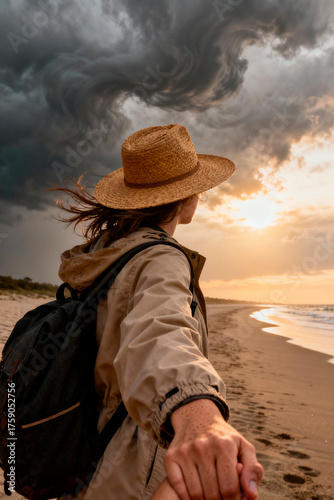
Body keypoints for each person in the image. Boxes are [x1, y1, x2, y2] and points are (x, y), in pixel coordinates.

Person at [55, 124, 263, 500]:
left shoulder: (107, 252)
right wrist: (196, 413)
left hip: (81, 450)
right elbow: (158, 329)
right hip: (123, 465)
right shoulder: (161, 258)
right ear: (185, 199)